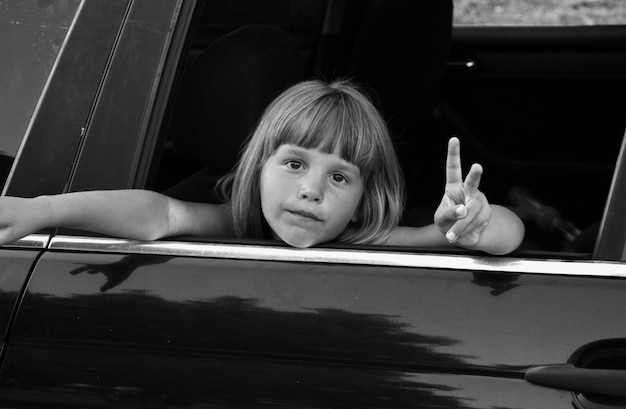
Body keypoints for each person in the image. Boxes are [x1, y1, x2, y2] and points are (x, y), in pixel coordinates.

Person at [0, 79, 524, 254]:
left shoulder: (362, 237)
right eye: (295, 163)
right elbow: (160, 215)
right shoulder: (242, 222)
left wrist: (478, 222)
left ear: (364, 200)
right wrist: (42, 210)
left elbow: (503, 233)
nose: (312, 191)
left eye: (339, 176)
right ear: (257, 169)